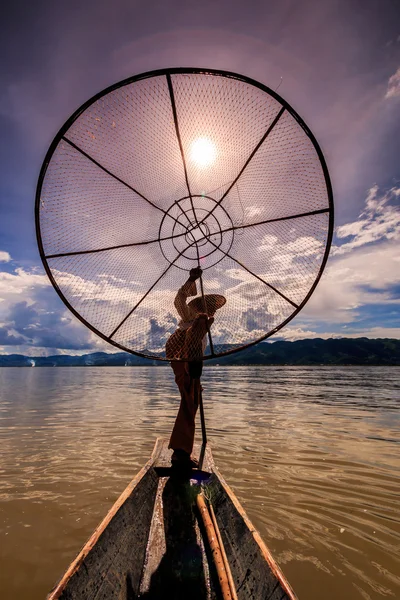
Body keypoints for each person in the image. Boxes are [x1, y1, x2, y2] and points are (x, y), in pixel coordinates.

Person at [166, 267, 226, 467]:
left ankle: (181, 450)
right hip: (182, 352)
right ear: (202, 306)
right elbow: (179, 299)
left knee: (192, 398)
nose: (214, 310)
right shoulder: (191, 314)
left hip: (189, 358)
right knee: (190, 401)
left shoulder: (204, 319)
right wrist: (191, 279)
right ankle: (180, 453)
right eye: (211, 307)